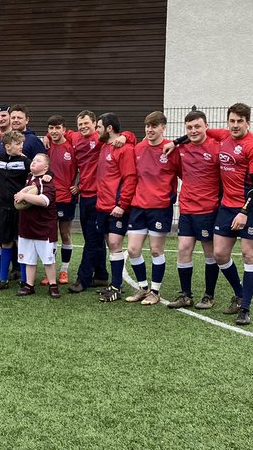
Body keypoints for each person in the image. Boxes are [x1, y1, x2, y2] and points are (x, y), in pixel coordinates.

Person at [212, 102, 253, 326]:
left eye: (240, 122)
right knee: (219, 254)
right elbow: (199, 131)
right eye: (232, 121)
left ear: (248, 123)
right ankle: (239, 293)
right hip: (227, 205)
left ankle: (245, 309)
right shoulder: (223, 136)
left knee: (248, 255)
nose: (235, 125)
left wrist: (244, 211)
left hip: (252, 207)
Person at [167, 110, 226, 309]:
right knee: (183, 249)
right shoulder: (181, 148)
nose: (193, 131)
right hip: (186, 208)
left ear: (206, 127)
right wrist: (175, 142)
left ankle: (209, 295)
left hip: (208, 210)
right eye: (189, 127)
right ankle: (186, 295)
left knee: (210, 253)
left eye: (197, 126)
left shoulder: (217, 147)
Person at [124, 111, 178, 305]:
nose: (150, 130)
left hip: (160, 208)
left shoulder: (171, 149)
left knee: (156, 251)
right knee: (132, 249)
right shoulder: (138, 148)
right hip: (138, 206)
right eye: (147, 126)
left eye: (154, 126)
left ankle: (155, 291)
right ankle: (143, 288)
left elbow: (183, 174)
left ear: (163, 127)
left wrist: (171, 196)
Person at [94, 113, 138, 302]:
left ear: (109, 128)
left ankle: (116, 287)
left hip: (116, 207)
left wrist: (122, 204)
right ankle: (115, 283)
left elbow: (130, 178)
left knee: (114, 244)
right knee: (110, 245)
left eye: (99, 126)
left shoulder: (125, 149)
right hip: (102, 205)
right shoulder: (104, 146)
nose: (97, 130)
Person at [14, 152, 61, 298]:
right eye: (33, 160)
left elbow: (45, 201)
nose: (33, 162)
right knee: (28, 258)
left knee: (48, 259)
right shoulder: (29, 178)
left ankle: (53, 285)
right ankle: (29, 285)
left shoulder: (47, 181)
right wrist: (19, 196)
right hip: (27, 225)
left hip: (44, 226)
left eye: (38, 160)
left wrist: (24, 196)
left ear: (46, 167)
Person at [70, 110, 107, 293]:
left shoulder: (101, 139)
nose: (83, 127)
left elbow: (127, 136)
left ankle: (82, 280)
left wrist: (125, 138)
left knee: (92, 239)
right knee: (94, 238)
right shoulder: (76, 138)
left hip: (98, 197)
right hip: (84, 196)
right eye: (80, 124)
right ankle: (101, 276)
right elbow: (60, 133)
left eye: (86, 123)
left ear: (94, 124)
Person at [0, 130, 30, 291]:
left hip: (20, 210)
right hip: (2, 209)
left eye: (21, 143)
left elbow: (41, 171)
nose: (21, 146)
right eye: (18, 144)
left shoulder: (25, 161)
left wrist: (47, 175)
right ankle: (3, 279)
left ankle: (25, 280)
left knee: (21, 244)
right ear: (7, 146)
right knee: (5, 242)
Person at [45, 115, 80, 284]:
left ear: (64, 129)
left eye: (57, 128)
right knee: (49, 236)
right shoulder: (45, 145)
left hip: (66, 198)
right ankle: (49, 272)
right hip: (48, 197)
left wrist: (79, 185)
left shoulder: (71, 147)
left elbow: (86, 167)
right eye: (51, 128)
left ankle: (64, 270)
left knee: (64, 234)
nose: (54, 131)